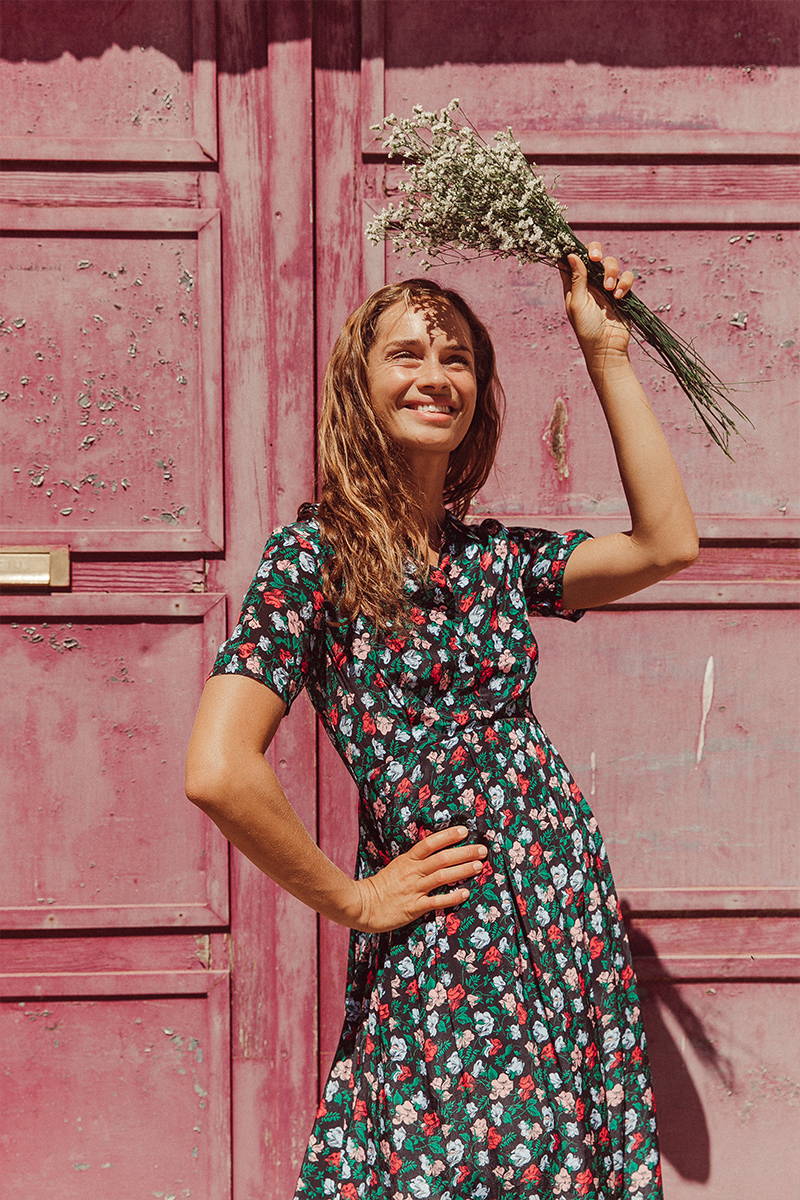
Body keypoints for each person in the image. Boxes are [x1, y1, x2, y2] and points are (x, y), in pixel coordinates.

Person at [184, 243, 697, 1199]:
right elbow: (219, 768)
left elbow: (667, 541)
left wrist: (608, 354)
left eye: (457, 356)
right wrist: (355, 899)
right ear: (358, 385)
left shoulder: (495, 559)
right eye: (407, 353)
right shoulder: (313, 558)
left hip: (556, 909)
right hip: (447, 925)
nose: (436, 375)